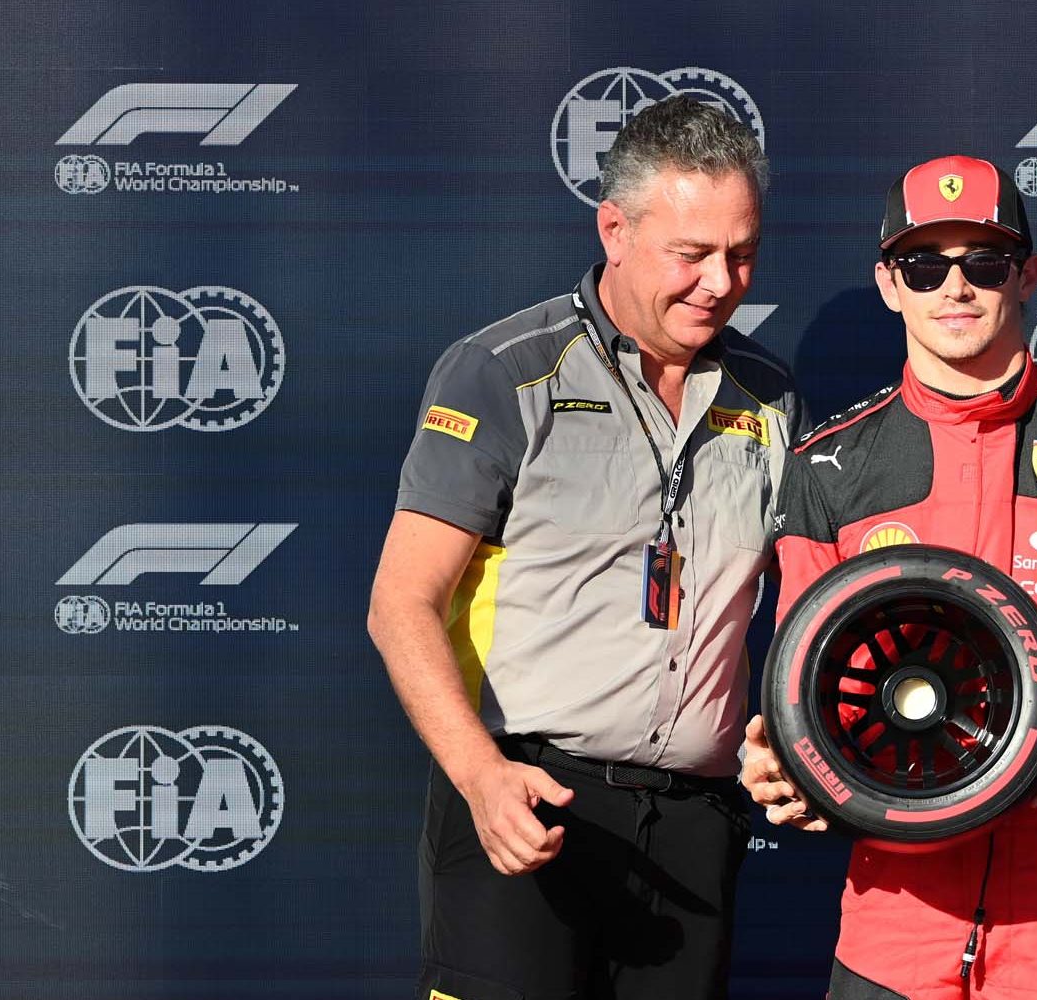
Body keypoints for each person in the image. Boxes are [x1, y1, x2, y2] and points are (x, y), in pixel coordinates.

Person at [740, 155, 1037, 999]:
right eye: (926, 264)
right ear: (889, 284)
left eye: (986, 262)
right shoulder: (828, 466)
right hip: (894, 922)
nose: (955, 288)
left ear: (1028, 275)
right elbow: (804, 678)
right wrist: (778, 761)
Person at [368, 95, 799, 1000]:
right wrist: (482, 778)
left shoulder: (770, 396)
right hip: (526, 801)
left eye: (742, 252)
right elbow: (400, 603)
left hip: (697, 822)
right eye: (689, 254)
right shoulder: (503, 371)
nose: (720, 282)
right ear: (615, 228)